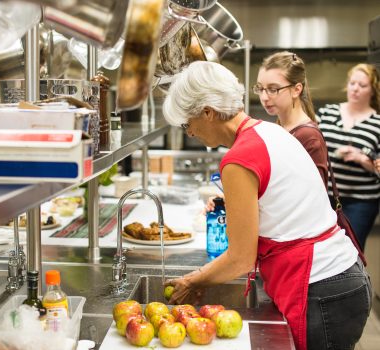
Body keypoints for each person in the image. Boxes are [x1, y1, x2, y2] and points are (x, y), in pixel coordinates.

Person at [163, 61, 371, 350]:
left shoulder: (238, 159)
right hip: (344, 278)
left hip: (322, 290)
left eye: (188, 124)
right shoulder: (268, 132)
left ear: (208, 113)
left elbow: (240, 258)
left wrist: (193, 281)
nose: (190, 133)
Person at [317, 63, 380, 250]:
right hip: (324, 196)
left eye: (362, 85)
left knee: (351, 249)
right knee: (323, 248)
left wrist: (362, 159)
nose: (355, 88)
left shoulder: (377, 123)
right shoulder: (327, 112)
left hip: (360, 201)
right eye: (353, 83)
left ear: (372, 90)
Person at [255, 51, 328, 186]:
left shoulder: (309, 137)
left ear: (296, 90)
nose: (264, 97)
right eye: (260, 88)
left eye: (273, 89)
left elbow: (313, 198)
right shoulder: (280, 128)